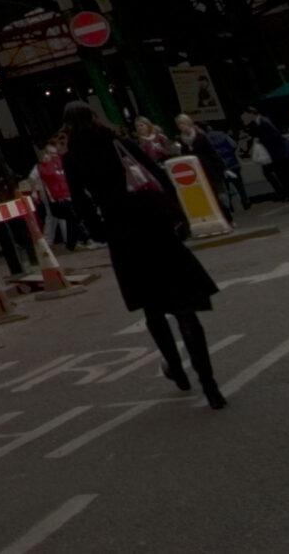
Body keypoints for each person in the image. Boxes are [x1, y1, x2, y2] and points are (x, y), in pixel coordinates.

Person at [61, 101, 226, 409]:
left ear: (67, 126)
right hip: (153, 224)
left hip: (122, 233)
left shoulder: (72, 159)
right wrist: (177, 215)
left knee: (152, 308)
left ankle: (175, 366)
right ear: (95, 116)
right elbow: (156, 174)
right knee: (183, 305)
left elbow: (81, 206)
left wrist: (100, 231)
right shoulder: (119, 143)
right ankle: (210, 384)